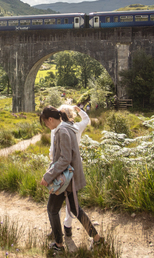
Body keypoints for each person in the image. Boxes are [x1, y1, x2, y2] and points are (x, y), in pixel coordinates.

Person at [39, 106, 103, 252]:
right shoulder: (68, 127)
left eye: (46, 123)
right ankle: (97, 238)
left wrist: (48, 176)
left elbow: (64, 159)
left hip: (65, 181)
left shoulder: (62, 131)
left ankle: (59, 245)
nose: (47, 126)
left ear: (50, 119)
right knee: (75, 209)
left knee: (52, 209)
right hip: (70, 179)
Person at [57, 105, 90, 237]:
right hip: (74, 166)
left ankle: (56, 227)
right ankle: (67, 226)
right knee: (72, 199)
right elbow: (86, 119)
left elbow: (53, 149)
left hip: (61, 166)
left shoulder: (59, 128)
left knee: (57, 197)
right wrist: (79, 110)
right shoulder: (77, 127)